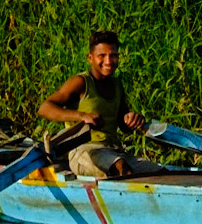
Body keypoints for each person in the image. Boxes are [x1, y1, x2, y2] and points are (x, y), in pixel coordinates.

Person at [37, 30, 162, 180]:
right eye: (102, 56)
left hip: (114, 151)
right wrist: (82, 116)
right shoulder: (81, 82)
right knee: (121, 168)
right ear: (90, 58)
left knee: (162, 173)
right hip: (84, 152)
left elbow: (123, 126)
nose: (108, 61)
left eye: (113, 55)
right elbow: (45, 108)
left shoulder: (117, 85)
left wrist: (134, 119)